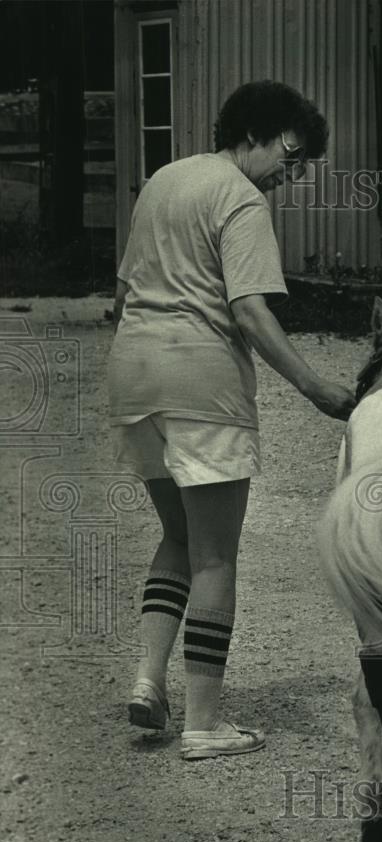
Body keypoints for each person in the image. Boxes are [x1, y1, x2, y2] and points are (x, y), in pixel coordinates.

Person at [108, 80, 355, 760]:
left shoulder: (163, 179)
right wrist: (314, 387)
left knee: (179, 536)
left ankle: (148, 680)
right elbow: (249, 311)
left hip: (132, 376)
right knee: (217, 553)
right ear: (261, 133)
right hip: (200, 380)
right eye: (292, 156)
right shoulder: (240, 198)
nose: (291, 175)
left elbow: (123, 288)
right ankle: (204, 722)